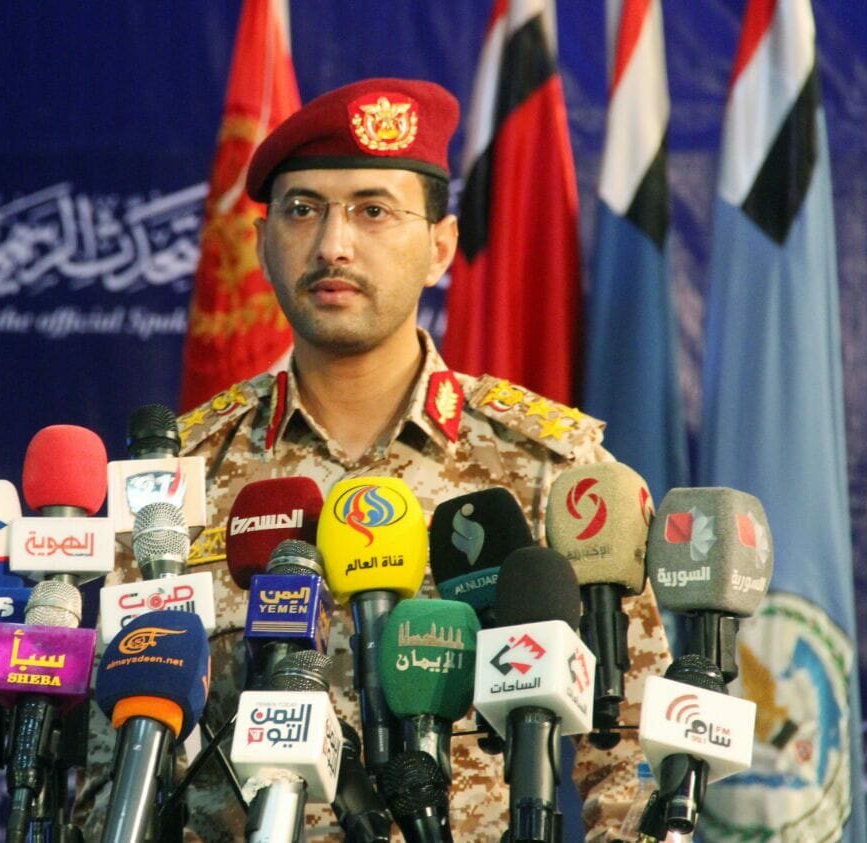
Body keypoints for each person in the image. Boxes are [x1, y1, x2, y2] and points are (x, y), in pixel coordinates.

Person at [79, 77, 671, 842]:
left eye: (373, 210)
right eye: (302, 210)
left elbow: (629, 758)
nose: (333, 244)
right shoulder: (178, 479)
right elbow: (108, 781)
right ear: (261, 244)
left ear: (441, 247)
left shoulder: (549, 470)